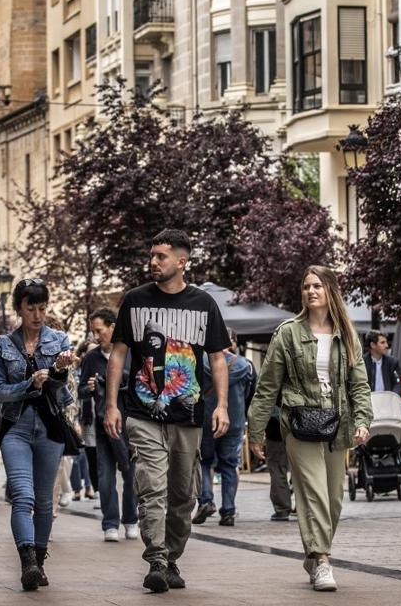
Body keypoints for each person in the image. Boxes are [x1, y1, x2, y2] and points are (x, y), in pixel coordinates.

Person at [104, 230, 232, 593]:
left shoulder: (203, 304)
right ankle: (157, 558)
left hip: (188, 415)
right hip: (142, 412)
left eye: (161, 256)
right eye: (152, 255)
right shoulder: (135, 300)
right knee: (152, 486)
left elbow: (217, 358)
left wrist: (221, 406)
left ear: (182, 261)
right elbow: (118, 355)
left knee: (182, 495)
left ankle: (172, 557)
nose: (153, 262)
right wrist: (112, 405)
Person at [247, 265, 373, 593]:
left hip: (339, 423)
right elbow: (267, 385)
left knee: (333, 499)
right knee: (313, 492)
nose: (311, 291)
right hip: (299, 423)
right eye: (306, 286)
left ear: (330, 290)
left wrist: (363, 421)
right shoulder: (288, 333)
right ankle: (321, 559)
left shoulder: (346, 334)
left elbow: (359, 384)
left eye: (317, 285)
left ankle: (315, 554)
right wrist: (256, 429)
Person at [0, 279, 77, 591]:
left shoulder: (59, 340)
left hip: (50, 428)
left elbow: (62, 387)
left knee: (43, 501)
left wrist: (59, 372)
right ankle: (27, 560)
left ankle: (39, 563)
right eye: (31, 308)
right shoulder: (3, 345)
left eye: (42, 308)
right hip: (16, 428)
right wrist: (31, 384)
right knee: (22, 496)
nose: (37, 315)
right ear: (19, 309)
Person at [80, 307, 139, 542]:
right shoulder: (91, 358)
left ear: (112, 327)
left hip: (129, 424)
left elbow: (140, 384)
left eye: (99, 331)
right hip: (103, 424)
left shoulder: (131, 353)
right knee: (105, 476)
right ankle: (110, 523)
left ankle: (131, 520)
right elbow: (81, 389)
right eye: (94, 332)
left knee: (131, 473)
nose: (96, 336)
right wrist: (91, 387)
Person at [193, 330, 256, 527]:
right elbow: (251, 395)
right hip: (234, 421)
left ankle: (205, 500)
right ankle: (228, 510)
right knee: (230, 465)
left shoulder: (200, 362)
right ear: (234, 343)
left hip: (207, 420)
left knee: (204, 461)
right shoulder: (246, 366)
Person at [69, 340, 97, 502]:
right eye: (90, 351)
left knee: (87, 453)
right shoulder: (76, 370)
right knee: (76, 454)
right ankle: (76, 489)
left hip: (89, 418)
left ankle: (89, 486)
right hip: (75, 415)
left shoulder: (97, 368)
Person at [263, 401, 294, 521]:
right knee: (303, 467)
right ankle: (305, 506)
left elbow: (261, 397)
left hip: (275, 424)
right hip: (302, 422)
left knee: (277, 468)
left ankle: (282, 509)